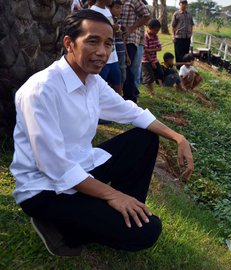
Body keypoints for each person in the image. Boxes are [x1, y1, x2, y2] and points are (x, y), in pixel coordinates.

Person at [10, 10, 194, 257]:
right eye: (92, 41)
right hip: (45, 189)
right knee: (148, 232)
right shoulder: (41, 90)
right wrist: (113, 194)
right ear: (69, 43)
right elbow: (56, 167)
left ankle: (126, 212)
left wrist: (178, 138)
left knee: (145, 137)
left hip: (81, 168)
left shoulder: (92, 81)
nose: (102, 52)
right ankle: (64, 231)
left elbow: (132, 112)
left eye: (108, 44)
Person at [120, 0, 150, 103]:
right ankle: (128, 94)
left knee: (128, 68)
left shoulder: (134, 1)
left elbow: (146, 16)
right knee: (123, 68)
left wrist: (131, 29)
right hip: (118, 39)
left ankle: (130, 97)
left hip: (131, 39)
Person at [90, 0, 123, 95]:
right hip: (101, 57)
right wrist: (113, 28)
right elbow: (94, 32)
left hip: (113, 56)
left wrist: (116, 31)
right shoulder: (93, 11)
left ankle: (118, 106)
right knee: (97, 88)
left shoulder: (107, 10)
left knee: (118, 85)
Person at [109, 0, 130, 92]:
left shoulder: (119, 22)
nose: (119, 10)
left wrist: (127, 55)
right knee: (112, 76)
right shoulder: (106, 20)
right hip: (112, 52)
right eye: (117, 8)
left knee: (122, 74)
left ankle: (119, 95)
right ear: (109, 8)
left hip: (121, 52)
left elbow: (123, 39)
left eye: (120, 8)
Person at [142, 19, 164, 95]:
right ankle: (151, 92)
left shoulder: (156, 36)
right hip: (146, 60)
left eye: (158, 30)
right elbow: (145, 51)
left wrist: (150, 50)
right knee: (149, 77)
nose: (157, 32)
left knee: (160, 73)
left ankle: (161, 86)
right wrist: (151, 62)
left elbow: (160, 48)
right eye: (156, 30)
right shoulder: (145, 37)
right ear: (150, 28)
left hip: (154, 59)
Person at [171, 0, 194, 69]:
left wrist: (191, 33)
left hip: (187, 37)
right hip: (179, 37)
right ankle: (179, 68)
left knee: (186, 53)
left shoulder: (189, 15)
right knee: (178, 53)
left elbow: (192, 25)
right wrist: (173, 36)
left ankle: (185, 67)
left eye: (185, 3)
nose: (184, 5)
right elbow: (173, 26)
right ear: (180, 4)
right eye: (182, 3)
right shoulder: (176, 14)